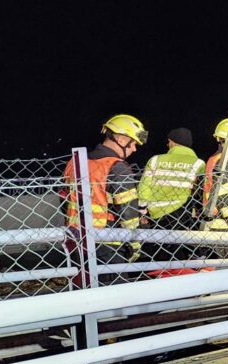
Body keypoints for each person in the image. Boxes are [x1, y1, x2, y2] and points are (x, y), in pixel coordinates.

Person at [61, 114, 148, 266]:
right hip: (108, 243)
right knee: (114, 288)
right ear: (121, 140)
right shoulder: (117, 167)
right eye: (133, 143)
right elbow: (128, 213)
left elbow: (64, 200)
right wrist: (135, 244)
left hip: (75, 239)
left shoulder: (74, 163)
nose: (134, 149)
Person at [137, 128, 202, 230]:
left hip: (156, 216)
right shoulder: (199, 163)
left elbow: (144, 188)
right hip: (183, 214)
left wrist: (142, 212)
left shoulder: (155, 160)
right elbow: (200, 190)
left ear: (173, 142)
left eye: (169, 141)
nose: (168, 145)